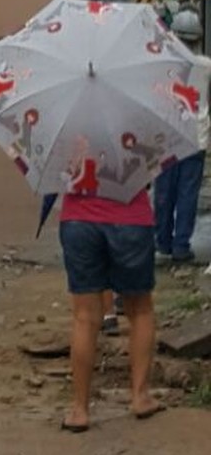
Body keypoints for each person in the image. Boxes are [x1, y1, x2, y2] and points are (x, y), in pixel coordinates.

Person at [58, 157, 161, 431]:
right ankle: (140, 396)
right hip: (131, 219)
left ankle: (79, 409)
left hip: (78, 220)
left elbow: (58, 172)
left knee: (84, 317)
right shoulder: (138, 130)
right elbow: (152, 168)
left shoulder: (68, 133)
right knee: (140, 310)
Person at [154, 11, 210, 263]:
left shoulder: (163, 64)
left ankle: (162, 242)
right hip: (196, 138)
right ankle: (181, 246)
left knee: (164, 191)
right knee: (188, 193)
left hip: (168, 136)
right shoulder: (206, 66)